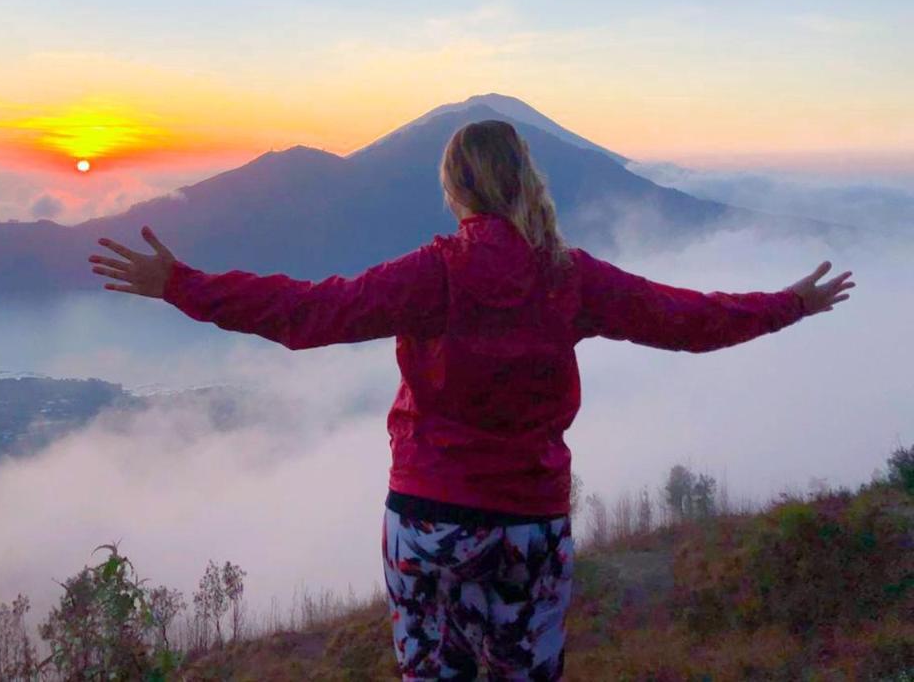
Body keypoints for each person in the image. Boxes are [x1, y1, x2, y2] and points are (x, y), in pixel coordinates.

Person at [87, 119, 854, 681]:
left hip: (427, 524)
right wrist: (787, 304)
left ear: (454, 190)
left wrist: (182, 285)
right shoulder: (570, 275)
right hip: (529, 526)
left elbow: (309, 312)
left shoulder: (435, 272)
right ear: (526, 184)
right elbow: (686, 321)